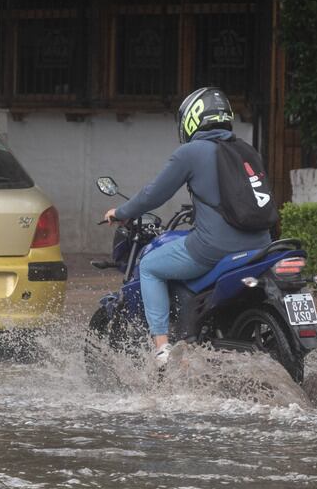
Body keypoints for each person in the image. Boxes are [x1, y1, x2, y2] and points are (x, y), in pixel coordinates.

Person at [103, 87, 274, 364]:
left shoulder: (191, 153)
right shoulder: (245, 150)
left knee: (150, 267)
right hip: (261, 247)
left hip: (213, 248)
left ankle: (162, 349)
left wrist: (121, 211)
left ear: (192, 119)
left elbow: (153, 194)